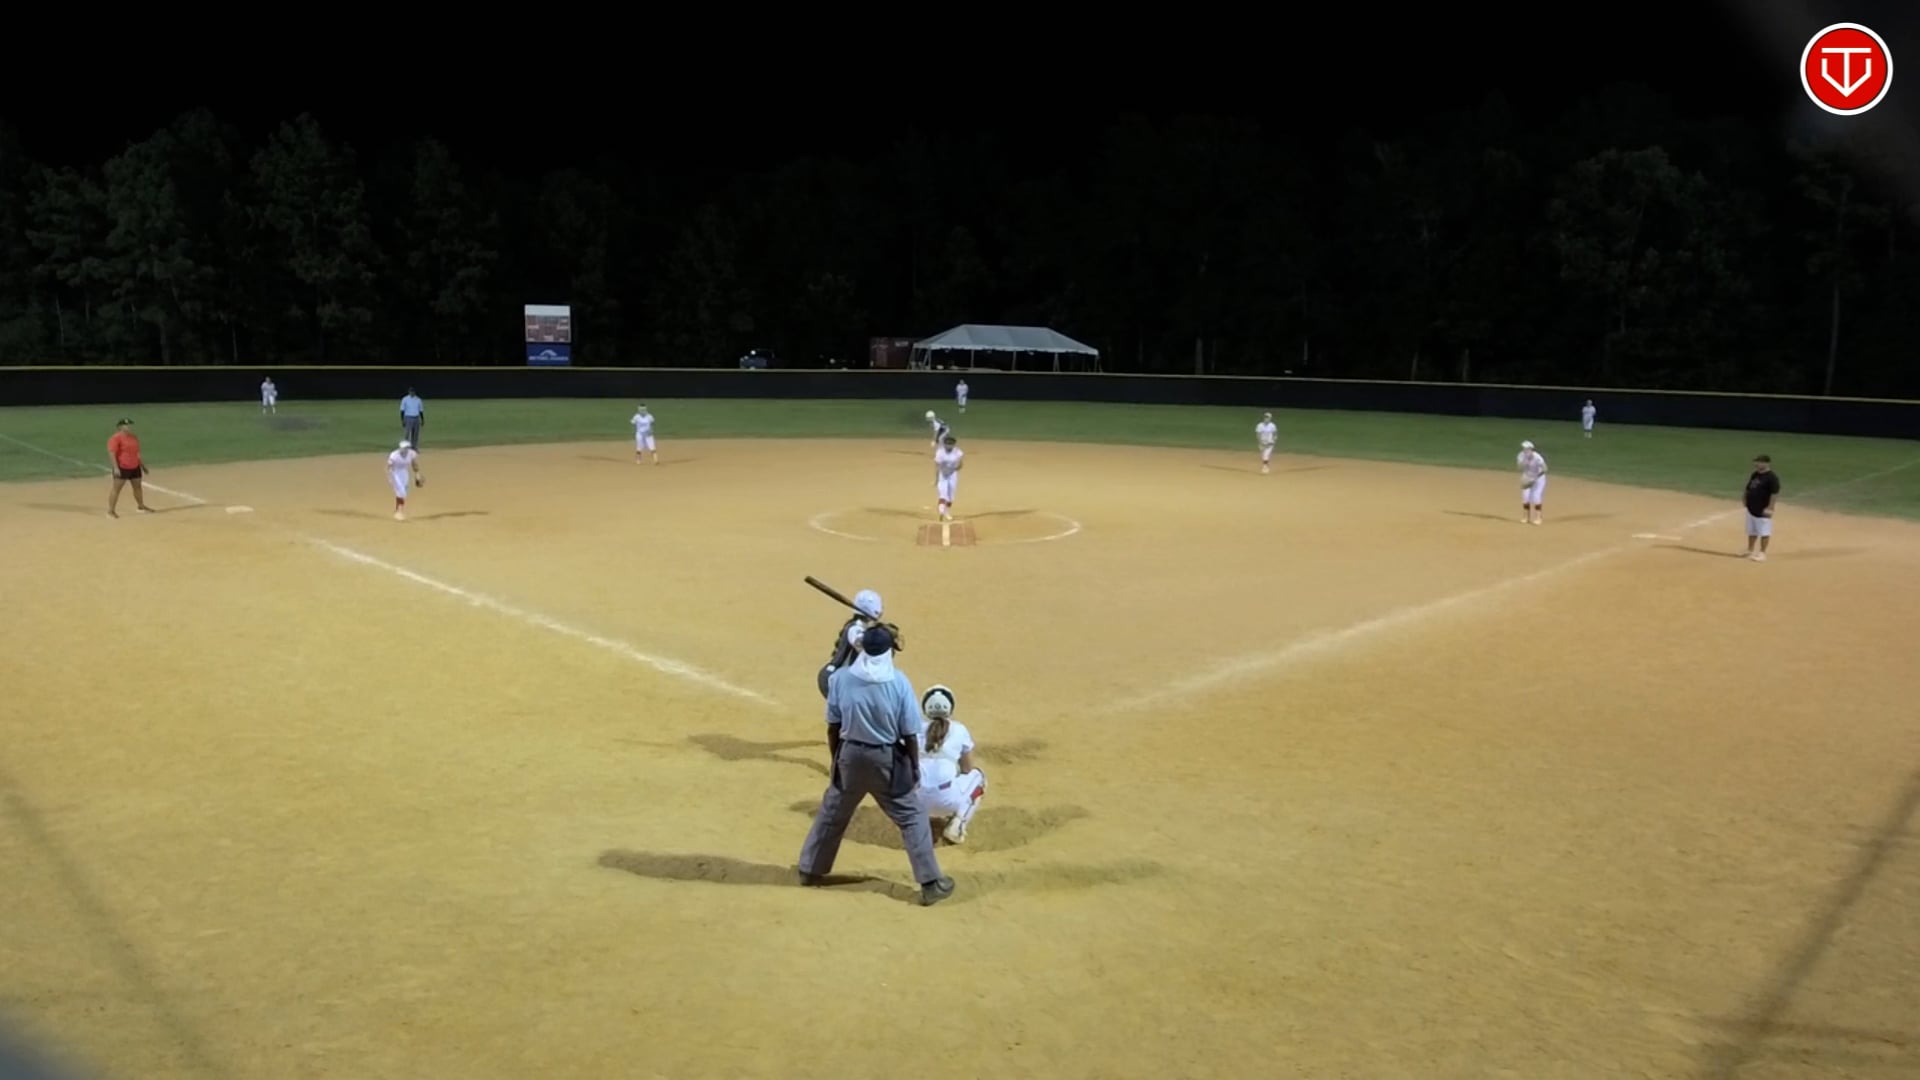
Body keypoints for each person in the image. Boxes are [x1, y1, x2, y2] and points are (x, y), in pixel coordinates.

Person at [798, 624, 954, 906]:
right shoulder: (898, 682)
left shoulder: (841, 679)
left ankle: (810, 869)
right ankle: (931, 883)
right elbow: (909, 733)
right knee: (912, 815)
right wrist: (913, 767)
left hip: (850, 755)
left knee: (833, 811)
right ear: (888, 652)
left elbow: (833, 726)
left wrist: (837, 763)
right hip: (886, 760)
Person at [915, 685, 985, 845]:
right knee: (979, 777)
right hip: (947, 800)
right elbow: (967, 769)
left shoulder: (915, 728)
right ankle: (957, 825)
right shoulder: (959, 729)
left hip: (916, 802)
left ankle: (915, 823)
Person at [817, 588, 886, 701]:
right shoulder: (855, 628)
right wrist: (884, 637)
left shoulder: (864, 627)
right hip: (835, 680)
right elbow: (863, 645)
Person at [105, 418, 153, 518]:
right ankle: (111, 511)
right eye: (126, 425)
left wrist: (143, 466)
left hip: (135, 466)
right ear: (120, 427)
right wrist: (116, 468)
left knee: (137, 487)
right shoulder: (115, 438)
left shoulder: (133, 437)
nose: (129, 427)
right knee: (116, 489)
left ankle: (141, 506)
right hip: (122, 467)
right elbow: (112, 453)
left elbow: (137, 453)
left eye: (130, 425)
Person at [1744, 454, 1781, 561]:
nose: (1756, 464)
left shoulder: (1772, 477)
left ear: (1766, 463)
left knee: (1764, 532)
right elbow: (1748, 488)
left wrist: (1770, 507)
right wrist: (1745, 499)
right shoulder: (1755, 474)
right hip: (1751, 507)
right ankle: (1750, 550)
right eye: (1756, 461)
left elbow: (1774, 493)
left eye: (1759, 462)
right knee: (1752, 531)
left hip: (1763, 509)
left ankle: (1762, 553)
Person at [387, 439, 423, 521]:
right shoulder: (394, 455)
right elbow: (389, 466)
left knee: (403, 492)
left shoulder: (411, 453)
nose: (403, 449)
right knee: (401, 492)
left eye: (406, 448)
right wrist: (390, 476)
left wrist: (417, 474)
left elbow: (414, 464)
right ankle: (399, 512)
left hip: (404, 472)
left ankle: (397, 510)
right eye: (402, 447)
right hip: (395, 473)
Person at [933, 433, 964, 521]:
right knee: (943, 493)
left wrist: (955, 468)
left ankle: (946, 511)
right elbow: (937, 465)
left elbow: (960, 463)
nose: (949, 445)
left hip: (952, 474)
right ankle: (941, 511)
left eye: (951, 444)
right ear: (944, 444)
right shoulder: (940, 452)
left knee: (950, 497)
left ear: (953, 444)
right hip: (942, 474)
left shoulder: (957, 452)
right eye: (947, 443)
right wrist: (937, 479)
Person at [1517, 440, 1548, 525]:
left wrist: (1535, 478)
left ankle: (1538, 518)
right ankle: (1525, 517)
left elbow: (1545, 468)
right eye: (1524, 448)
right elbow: (1519, 468)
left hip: (1539, 478)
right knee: (1525, 496)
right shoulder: (1521, 456)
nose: (1525, 450)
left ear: (1531, 449)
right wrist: (1523, 463)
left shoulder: (1537, 457)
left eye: (1527, 449)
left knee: (1536, 496)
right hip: (1527, 477)